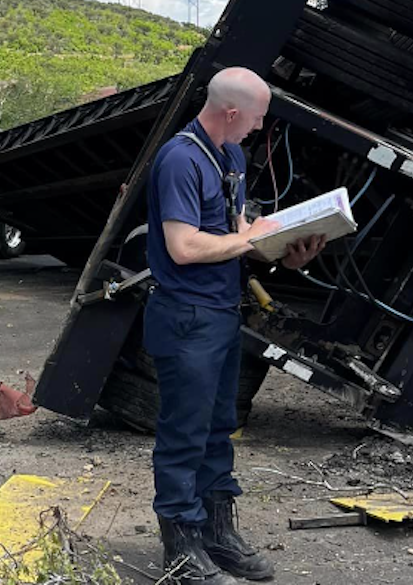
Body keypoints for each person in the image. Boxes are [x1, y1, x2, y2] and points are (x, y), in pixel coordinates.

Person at [145, 67, 325, 584]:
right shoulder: (180, 158)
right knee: (185, 432)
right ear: (230, 113)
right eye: (256, 116)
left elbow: (235, 232)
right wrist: (251, 240)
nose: (259, 126)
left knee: (219, 428)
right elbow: (184, 246)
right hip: (185, 316)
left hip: (222, 312)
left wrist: (283, 250)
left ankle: (216, 534)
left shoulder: (230, 156)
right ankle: (181, 548)